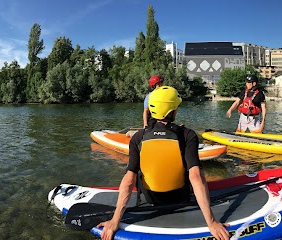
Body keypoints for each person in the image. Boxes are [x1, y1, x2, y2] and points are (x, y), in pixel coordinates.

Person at [97, 86, 230, 240]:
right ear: (172, 111)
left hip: (149, 200)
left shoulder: (138, 137)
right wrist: (212, 222)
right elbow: (195, 177)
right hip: (180, 199)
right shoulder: (188, 135)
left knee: (134, 173)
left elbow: (128, 180)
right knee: (197, 171)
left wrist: (115, 221)